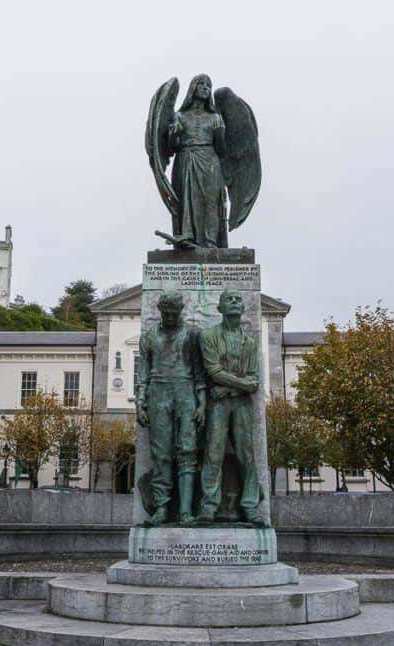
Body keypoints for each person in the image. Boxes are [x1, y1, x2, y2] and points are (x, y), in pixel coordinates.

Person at [136, 291, 205, 525]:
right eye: (166, 313)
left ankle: (185, 510)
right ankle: (162, 507)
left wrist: (202, 402)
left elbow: (199, 372)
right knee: (161, 454)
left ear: (181, 312)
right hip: (158, 392)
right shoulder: (148, 337)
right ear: (160, 312)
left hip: (186, 391)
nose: (170, 317)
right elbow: (143, 373)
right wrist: (140, 403)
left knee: (188, 451)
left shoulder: (192, 335)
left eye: (174, 313)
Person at [197, 289, 263, 524]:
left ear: (243, 308)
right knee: (213, 453)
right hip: (218, 406)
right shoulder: (208, 336)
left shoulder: (250, 343)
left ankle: (250, 505)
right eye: (229, 300)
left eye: (238, 300)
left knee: (247, 455)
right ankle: (209, 505)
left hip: (240, 404)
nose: (234, 302)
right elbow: (213, 370)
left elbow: (254, 382)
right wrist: (241, 384)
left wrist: (229, 388)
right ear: (220, 308)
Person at [167, 74, 228, 248]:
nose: (205, 87)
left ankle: (211, 241)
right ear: (193, 87)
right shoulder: (180, 116)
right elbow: (172, 147)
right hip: (186, 159)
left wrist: (219, 134)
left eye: (208, 85)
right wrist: (174, 135)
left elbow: (222, 150)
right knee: (186, 198)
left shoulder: (215, 118)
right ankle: (187, 237)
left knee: (211, 200)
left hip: (210, 161)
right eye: (201, 84)